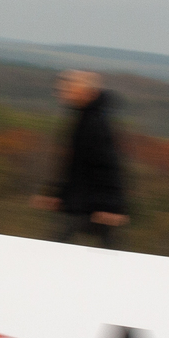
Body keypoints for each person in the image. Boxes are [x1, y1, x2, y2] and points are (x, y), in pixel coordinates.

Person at [31, 69, 130, 248]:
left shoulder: (95, 122)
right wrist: (58, 194)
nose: (61, 93)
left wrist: (112, 207)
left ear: (85, 92)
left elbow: (108, 165)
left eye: (67, 89)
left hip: (93, 205)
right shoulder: (85, 116)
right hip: (84, 202)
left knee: (104, 255)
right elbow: (75, 165)